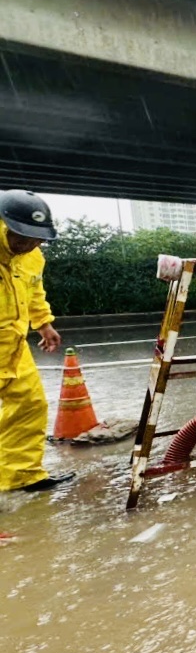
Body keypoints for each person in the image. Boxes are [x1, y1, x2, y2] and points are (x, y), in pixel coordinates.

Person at [0, 190, 74, 492]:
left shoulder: (33, 257)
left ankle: (20, 477)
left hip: (13, 345)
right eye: (21, 237)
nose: (28, 244)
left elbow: (33, 292)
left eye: (35, 239)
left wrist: (43, 324)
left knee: (30, 406)